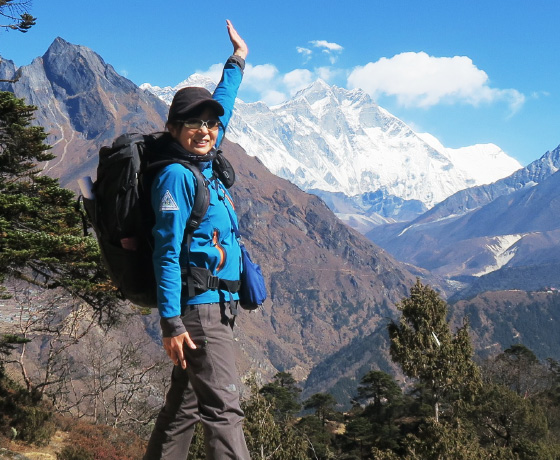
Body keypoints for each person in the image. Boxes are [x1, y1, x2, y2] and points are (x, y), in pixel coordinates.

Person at [143, 20, 250, 460]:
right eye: (193, 123)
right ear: (174, 129)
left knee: (183, 409)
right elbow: (165, 253)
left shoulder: (204, 157)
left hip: (217, 305)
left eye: (209, 123)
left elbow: (224, 103)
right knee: (224, 409)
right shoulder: (175, 177)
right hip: (199, 310)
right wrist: (171, 324)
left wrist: (237, 60)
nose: (205, 130)